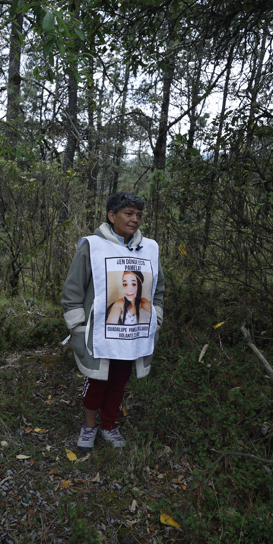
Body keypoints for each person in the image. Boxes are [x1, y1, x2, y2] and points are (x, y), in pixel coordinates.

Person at [62, 192, 164, 451]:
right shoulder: (92, 246)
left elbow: (157, 289)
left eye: (139, 215)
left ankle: (109, 425)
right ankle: (89, 426)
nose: (135, 220)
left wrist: (156, 317)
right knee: (96, 381)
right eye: (128, 214)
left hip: (133, 334)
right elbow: (73, 289)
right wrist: (77, 325)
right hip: (99, 333)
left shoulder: (149, 249)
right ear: (112, 216)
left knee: (119, 382)